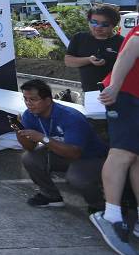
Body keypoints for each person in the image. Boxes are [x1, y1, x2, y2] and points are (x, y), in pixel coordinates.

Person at [15, 79, 106, 211]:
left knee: (76, 178)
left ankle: (99, 205)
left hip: (92, 157)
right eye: (25, 99)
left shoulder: (70, 117)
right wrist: (19, 131)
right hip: (65, 155)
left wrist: (42, 138)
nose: (28, 103)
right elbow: (30, 147)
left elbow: (75, 153)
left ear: (47, 100)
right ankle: (51, 196)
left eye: (33, 99)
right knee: (29, 158)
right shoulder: (29, 115)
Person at [93, 25, 139, 255]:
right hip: (127, 95)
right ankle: (110, 215)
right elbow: (131, 49)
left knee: (136, 157)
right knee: (123, 154)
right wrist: (116, 86)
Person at [65, 4, 124, 94]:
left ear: (113, 25)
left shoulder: (121, 42)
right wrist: (89, 60)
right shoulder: (80, 38)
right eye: (94, 22)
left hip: (117, 92)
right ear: (88, 21)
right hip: (89, 92)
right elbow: (68, 61)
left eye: (105, 24)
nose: (98, 27)